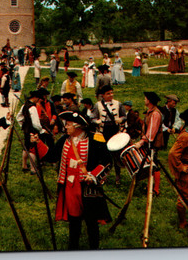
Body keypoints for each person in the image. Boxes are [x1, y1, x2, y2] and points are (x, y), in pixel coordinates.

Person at [53, 111, 112, 250]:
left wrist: (93, 176)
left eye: (68, 124)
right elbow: (51, 155)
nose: (65, 127)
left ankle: (94, 251)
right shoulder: (64, 140)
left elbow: (107, 161)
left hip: (87, 188)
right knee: (74, 222)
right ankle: (72, 249)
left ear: (77, 126)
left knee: (91, 223)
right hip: (70, 188)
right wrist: (36, 143)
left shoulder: (95, 139)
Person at [91, 85, 126, 185]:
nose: (111, 95)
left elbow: (124, 116)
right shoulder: (98, 105)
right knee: (104, 155)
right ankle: (103, 176)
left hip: (114, 131)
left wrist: (121, 119)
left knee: (116, 154)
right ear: (103, 95)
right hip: (103, 132)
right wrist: (96, 121)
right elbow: (92, 118)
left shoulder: (118, 104)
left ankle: (117, 177)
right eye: (108, 93)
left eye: (112, 93)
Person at [134, 92, 164, 196]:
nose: (144, 100)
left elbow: (151, 133)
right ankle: (149, 186)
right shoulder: (149, 112)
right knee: (150, 164)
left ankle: (156, 189)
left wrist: (142, 141)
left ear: (149, 101)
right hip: (149, 142)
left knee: (154, 165)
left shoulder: (155, 114)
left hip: (153, 143)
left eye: (145, 98)